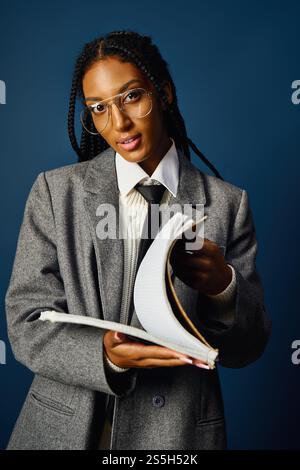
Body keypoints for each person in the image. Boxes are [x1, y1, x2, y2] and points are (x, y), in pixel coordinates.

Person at [5, 30, 271, 450]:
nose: (119, 123)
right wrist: (105, 357)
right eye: (99, 108)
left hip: (177, 438)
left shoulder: (226, 205)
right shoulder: (56, 194)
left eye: (131, 97)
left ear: (163, 93)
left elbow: (247, 348)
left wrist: (223, 287)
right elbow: (25, 322)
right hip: (66, 430)